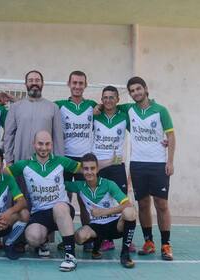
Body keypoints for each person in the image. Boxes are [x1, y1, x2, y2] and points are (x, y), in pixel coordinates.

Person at [6, 131, 80, 272]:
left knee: (59, 207)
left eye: (47, 144)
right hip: (40, 213)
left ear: (51, 145)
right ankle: (43, 242)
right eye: (40, 143)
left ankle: (70, 256)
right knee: (32, 237)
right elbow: (2, 174)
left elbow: (87, 168)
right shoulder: (24, 165)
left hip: (62, 210)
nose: (44, 148)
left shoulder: (61, 161)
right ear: (34, 144)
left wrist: (112, 162)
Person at [122, 76, 176, 261]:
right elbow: (109, 104)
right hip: (137, 164)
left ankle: (166, 244)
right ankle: (149, 242)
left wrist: (170, 161)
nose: (136, 92)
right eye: (132, 91)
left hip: (158, 165)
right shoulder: (129, 110)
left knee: (162, 205)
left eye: (138, 89)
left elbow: (171, 135)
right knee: (143, 204)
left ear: (145, 89)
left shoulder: (161, 110)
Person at [65, 153, 136, 268]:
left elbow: (127, 204)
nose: (89, 172)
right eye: (86, 169)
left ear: (97, 169)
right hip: (96, 227)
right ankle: (96, 247)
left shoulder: (108, 184)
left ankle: (125, 253)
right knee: (79, 237)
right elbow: (59, 185)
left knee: (130, 212)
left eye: (92, 168)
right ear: (82, 170)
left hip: (115, 225)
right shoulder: (79, 185)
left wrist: (103, 212)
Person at [54, 71, 97, 251]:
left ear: (85, 85)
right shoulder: (59, 105)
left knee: (85, 199)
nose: (77, 86)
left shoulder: (92, 106)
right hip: (65, 159)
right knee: (65, 199)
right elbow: (36, 107)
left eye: (81, 83)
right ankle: (68, 237)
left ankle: (88, 238)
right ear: (69, 84)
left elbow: (113, 111)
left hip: (85, 160)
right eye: (75, 83)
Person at [92, 85, 131, 251]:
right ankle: (106, 239)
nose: (108, 100)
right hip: (99, 165)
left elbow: (139, 132)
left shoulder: (124, 116)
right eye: (105, 98)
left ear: (118, 99)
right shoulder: (94, 116)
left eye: (111, 97)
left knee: (121, 201)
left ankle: (125, 240)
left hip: (117, 165)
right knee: (103, 202)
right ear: (101, 100)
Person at [4, 70, 64, 165]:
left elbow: (58, 139)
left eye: (37, 80)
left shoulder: (53, 108)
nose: (34, 83)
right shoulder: (15, 107)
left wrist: (60, 162)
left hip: (46, 165)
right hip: (21, 162)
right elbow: (8, 135)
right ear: (26, 83)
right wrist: (9, 159)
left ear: (42, 83)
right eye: (31, 80)